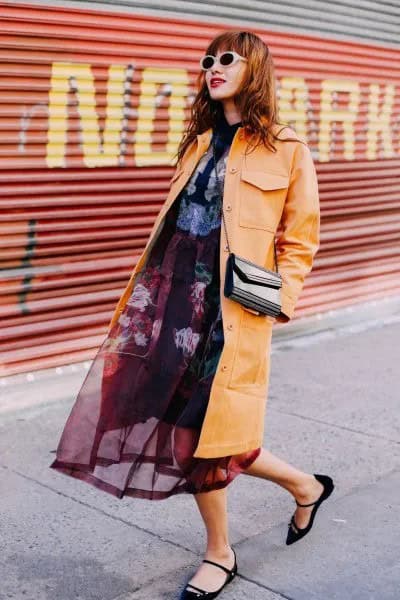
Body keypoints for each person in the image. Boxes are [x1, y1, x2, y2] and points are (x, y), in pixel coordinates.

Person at [50, 30, 334, 599]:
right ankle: (305, 486)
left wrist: (281, 299)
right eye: (208, 59)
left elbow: (301, 239)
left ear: (255, 69)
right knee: (205, 435)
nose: (213, 66)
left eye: (227, 58)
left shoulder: (287, 147)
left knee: (198, 440)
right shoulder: (200, 142)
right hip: (175, 312)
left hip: (230, 320)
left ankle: (219, 553)